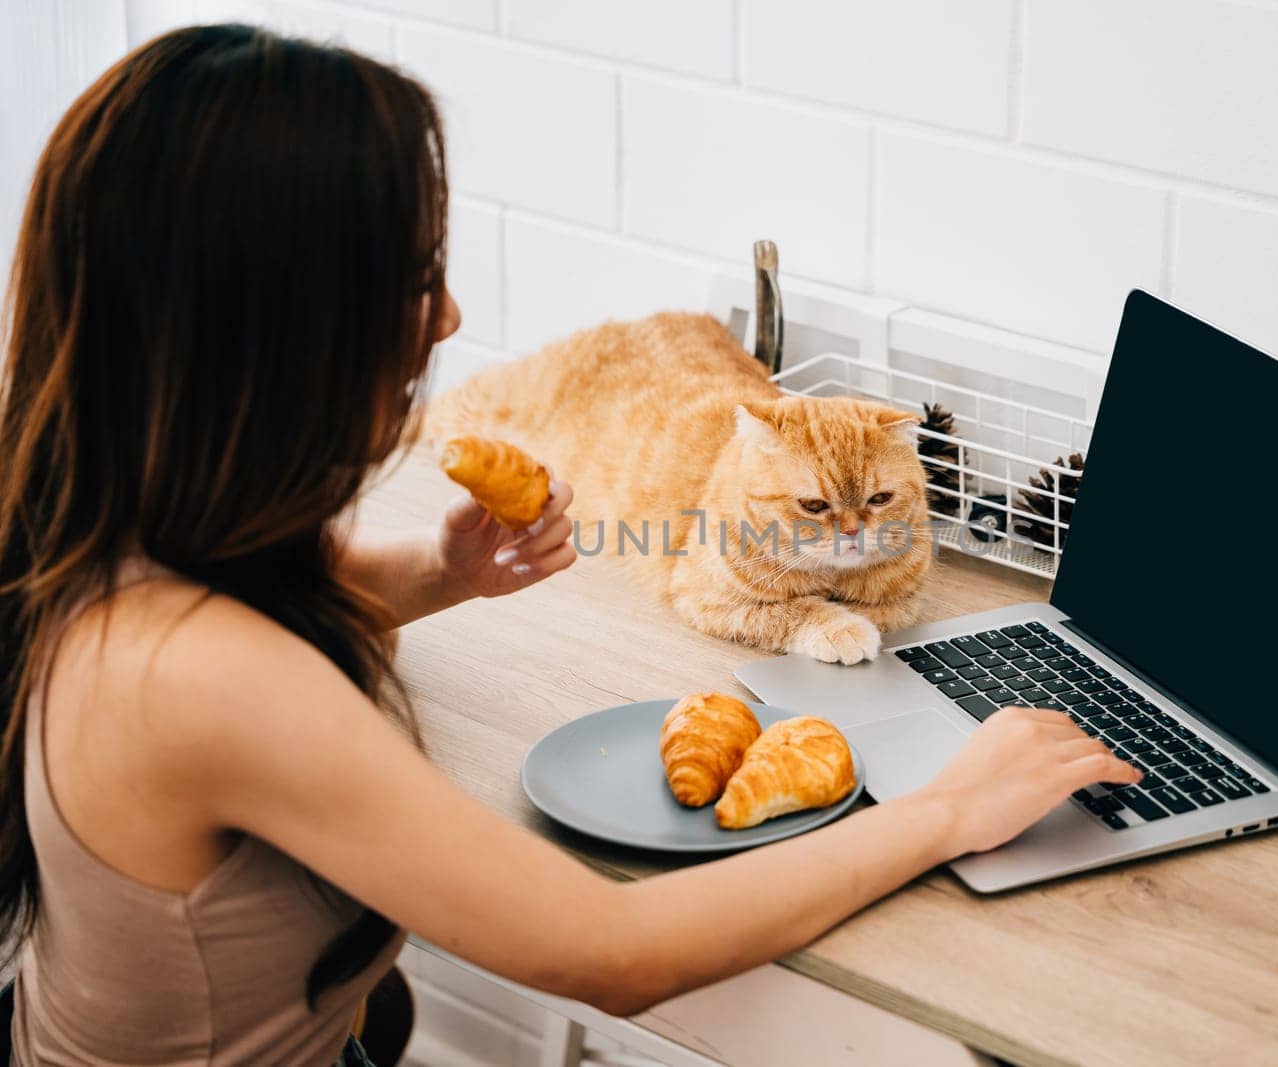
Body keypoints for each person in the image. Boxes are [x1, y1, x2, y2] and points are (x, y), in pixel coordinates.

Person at [0, 24, 1141, 1066]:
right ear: (275, 329)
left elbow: (311, 593)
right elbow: (612, 949)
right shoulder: (195, 677)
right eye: (412, 278)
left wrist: (446, 571)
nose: (446, 318)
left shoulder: (98, 517)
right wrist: (946, 806)